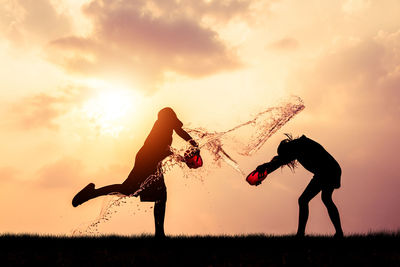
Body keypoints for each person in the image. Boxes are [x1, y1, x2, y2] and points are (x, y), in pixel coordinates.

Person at [72, 107, 199, 238]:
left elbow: (181, 132)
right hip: (146, 162)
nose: (174, 121)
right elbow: (164, 150)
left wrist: (194, 145)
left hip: (151, 162)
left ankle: (159, 234)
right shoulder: (160, 129)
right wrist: (184, 158)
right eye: (172, 118)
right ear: (168, 119)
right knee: (131, 191)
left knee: (156, 195)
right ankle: (91, 193)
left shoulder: (167, 126)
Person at [253, 134, 343, 238]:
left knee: (304, 200)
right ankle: (338, 233)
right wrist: (264, 173)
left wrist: (265, 168)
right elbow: (281, 160)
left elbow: (280, 161)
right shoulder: (297, 145)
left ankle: (300, 234)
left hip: (327, 170)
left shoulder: (299, 146)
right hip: (331, 169)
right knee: (326, 199)